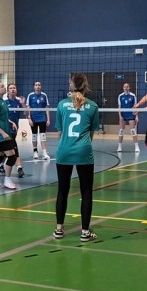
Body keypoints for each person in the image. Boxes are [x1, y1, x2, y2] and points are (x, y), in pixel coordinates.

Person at [53, 73, 100, 242]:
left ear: (71, 86)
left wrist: (67, 145)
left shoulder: (61, 105)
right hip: (83, 151)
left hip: (64, 151)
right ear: (86, 86)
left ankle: (59, 229)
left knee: (62, 191)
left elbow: (60, 132)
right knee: (86, 192)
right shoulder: (93, 106)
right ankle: (85, 232)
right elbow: (92, 133)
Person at [0, 83, 27, 178]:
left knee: (5, 149)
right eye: (10, 88)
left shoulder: (19, 102)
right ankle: (19, 168)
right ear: (8, 91)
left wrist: (23, 104)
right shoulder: (4, 102)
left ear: (16, 90)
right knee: (14, 149)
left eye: (14, 88)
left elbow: (26, 114)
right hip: (6, 129)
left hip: (15, 129)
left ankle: (0, 165)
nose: (13, 89)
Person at [27, 81, 51, 161]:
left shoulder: (44, 95)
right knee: (34, 135)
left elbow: (47, 108)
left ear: (41, 86)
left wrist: (48, 119)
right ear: (34, 86)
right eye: (36, 85)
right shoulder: (30, 95)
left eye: (39, 85)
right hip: (33, 118)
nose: (37, 86)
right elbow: (28, 107)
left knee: (43, 135)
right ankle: (35, 152)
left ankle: (44, 153)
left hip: (42, 118)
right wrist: (29, 118)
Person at [117, 82, 139, 153]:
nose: (126, 88)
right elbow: (119, 107)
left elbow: (135, 106)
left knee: (133, 130)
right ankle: (119, 146)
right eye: (125, 87)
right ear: (123, 88)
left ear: (129, 88)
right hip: (123, 115)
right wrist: (120, 116)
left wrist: (136, 116)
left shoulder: (133, 95)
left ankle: (136, 146)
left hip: (131, 115)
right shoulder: (120, 96)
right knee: (121, 131)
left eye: (127, 87)